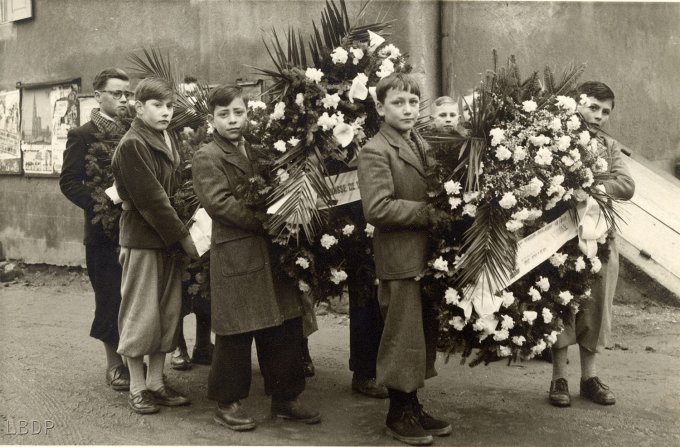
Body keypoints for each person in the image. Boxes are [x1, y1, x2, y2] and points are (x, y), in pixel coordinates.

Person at [192, 85, 320, 431]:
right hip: (238, 252)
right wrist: (269, 222)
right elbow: (218, 203)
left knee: (283, 325)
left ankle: (285, 398)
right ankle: (227, 402)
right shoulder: (208, 156)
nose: (233, 120)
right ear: (212, 119)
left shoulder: (259, 149)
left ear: (248, 113)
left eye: (239, 112)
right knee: (236, 331)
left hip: (271, 252)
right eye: (224, 115)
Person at [357, 73, 451, 446]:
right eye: (399, 102)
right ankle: (398, 414)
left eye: (413, 102)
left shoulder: (418, 143)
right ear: (380, 107)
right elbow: (377, 208)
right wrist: (429, 212)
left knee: (418, 334)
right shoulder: (375, 151)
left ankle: (412, 404)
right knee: (401, 335)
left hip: (423, 256)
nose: (408, 109)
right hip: (399, 258)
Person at [112, 77, 198, 415]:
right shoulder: (133, 144)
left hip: (166, 240)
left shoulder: (165, 136)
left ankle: (157, 382)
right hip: (144, 240)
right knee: (141, 313)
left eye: (169, 106)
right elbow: (153, 200)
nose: (165, 112)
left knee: (166, 312)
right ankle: (137, 387)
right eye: (157, 105)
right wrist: (183, 236)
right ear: (139, 106)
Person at [548, 81, 635, 408]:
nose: (598, 116)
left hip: (599, 236)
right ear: (575, 104)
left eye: (605, 111)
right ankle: (559, 376)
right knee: (560, 301)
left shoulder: (609, 146)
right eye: (592, 107)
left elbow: (626, 184)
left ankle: (589, 378)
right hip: (559, 235)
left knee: (596, 304)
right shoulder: (554, 138)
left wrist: (592, 187)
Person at [60, 68, 132, 393]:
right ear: (98, 94)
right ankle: (114, 364)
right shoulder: (83, 134)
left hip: (136, 229)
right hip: (102, 234)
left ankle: (137, 361)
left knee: (134, 296)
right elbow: (69, 183)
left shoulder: (134, 131)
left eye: (126, 94)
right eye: (116, 93)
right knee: (109, 297)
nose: (123, 99)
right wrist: (104, 199)